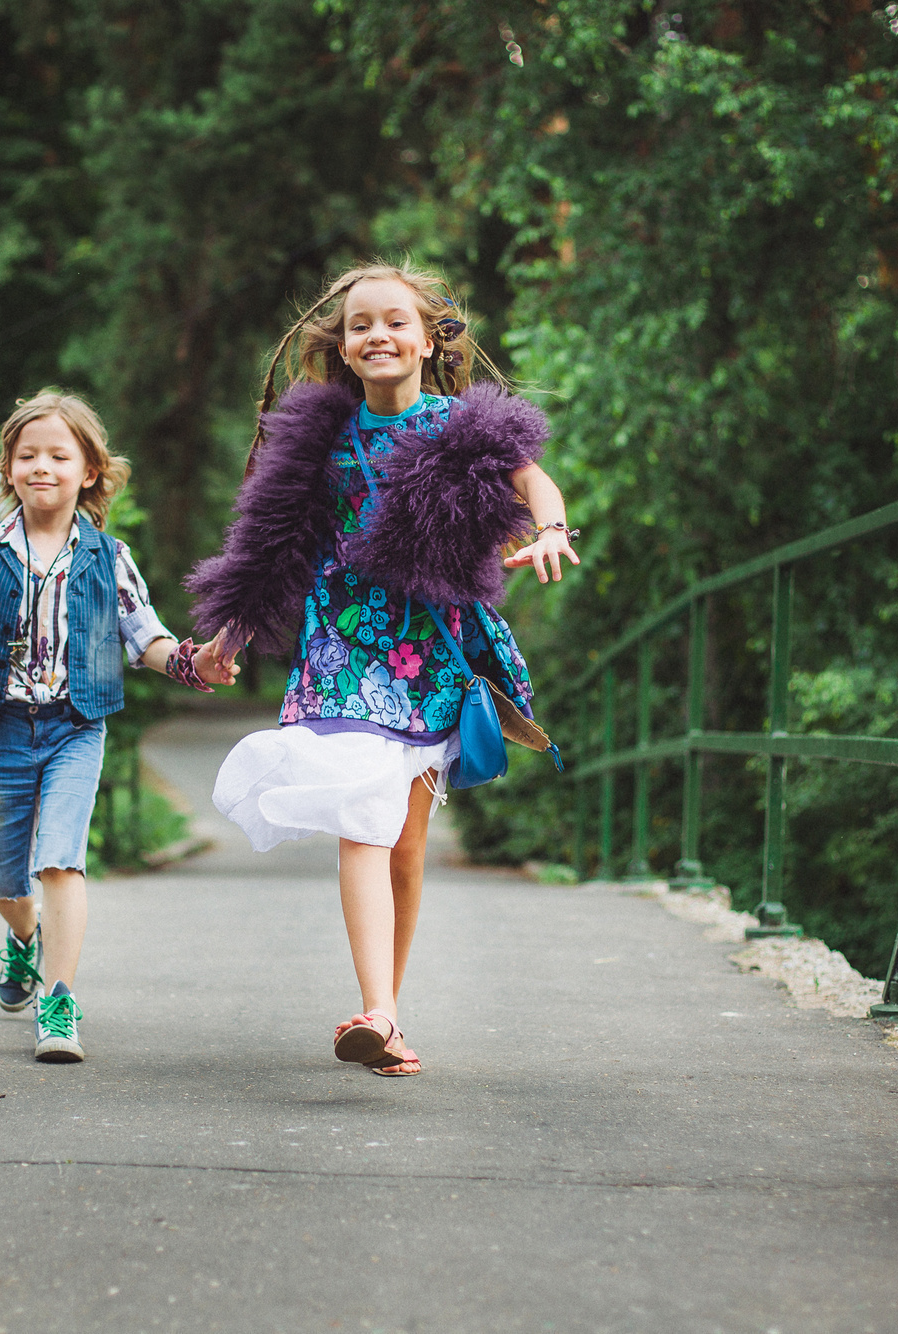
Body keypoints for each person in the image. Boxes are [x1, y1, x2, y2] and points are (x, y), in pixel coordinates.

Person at [186, 262, 577, 1077]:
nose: (378, 337)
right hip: (343, 652)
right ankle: (377, 1010)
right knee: (360, 820)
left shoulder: (462, 428)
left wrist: (552, 528)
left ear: (431, 339)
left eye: (395, 322)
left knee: (404, 845)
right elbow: (264, 549)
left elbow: (531, 477)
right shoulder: (317, 444)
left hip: (431, 653)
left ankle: (386, 1017)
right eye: (360, 325)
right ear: (343, 346)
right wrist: (228, 635)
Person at [0, 391, 237, 1063]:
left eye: (58, 455)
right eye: (27, 456)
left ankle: (58, 1000)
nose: (41, 467)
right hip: (1, 726)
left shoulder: (109, 557)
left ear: (89, 472)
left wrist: (196, 665)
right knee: (3, 880)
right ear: (8, 469)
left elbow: (147, 637)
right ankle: (23, 940)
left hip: (77, 726)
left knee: (61, 859)